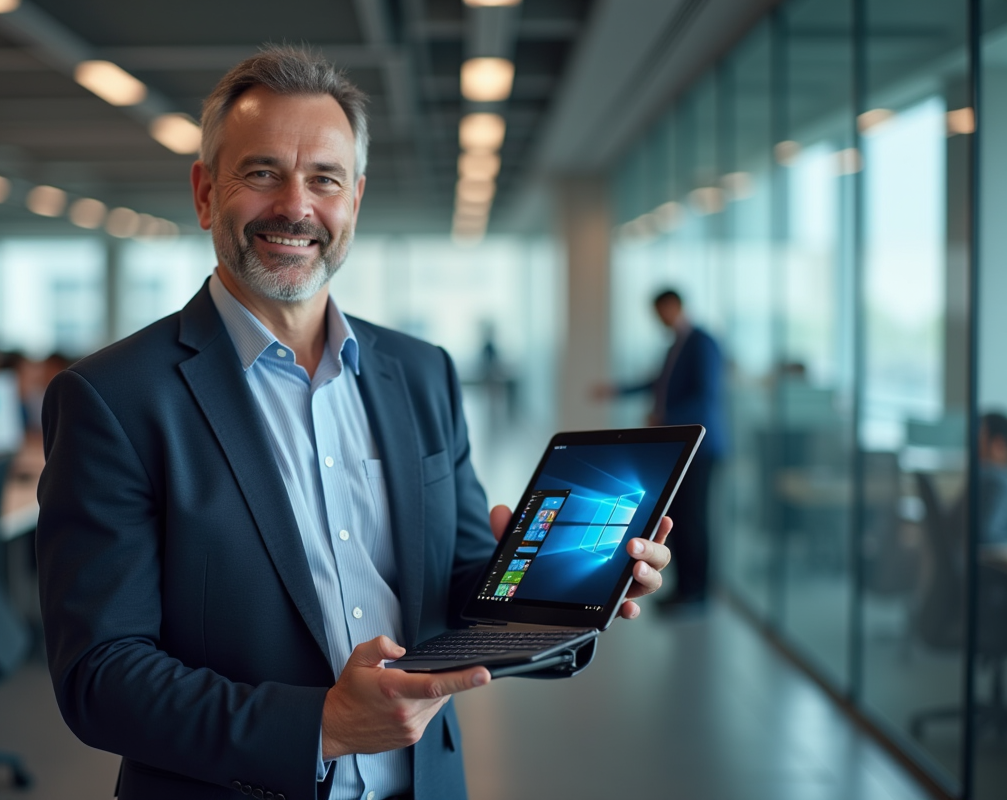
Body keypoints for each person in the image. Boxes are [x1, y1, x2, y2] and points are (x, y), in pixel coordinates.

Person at [36, 46, 674, 800]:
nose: (296, 206)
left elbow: (459, 582)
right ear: (206, 193)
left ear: (355, 202)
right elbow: (100, 676)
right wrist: (323, 726)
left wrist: (566, 588)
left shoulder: (421, 372)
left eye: (324, 179)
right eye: (262, 172)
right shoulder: (113, 397)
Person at [593, 289, 726, 609]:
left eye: (659, 312)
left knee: (694, 519)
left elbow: (706, 395)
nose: (658, 320)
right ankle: (684, 589)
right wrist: (618, 390)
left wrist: (666, 418)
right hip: (682, 446)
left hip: (702, 448)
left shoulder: (701, 342)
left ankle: (698, 592)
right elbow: (658, 383)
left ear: (673, 306)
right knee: (679, 517)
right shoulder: (675, 346)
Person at [977, 411, 1007, 545]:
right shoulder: (995, 479)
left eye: (981, 436)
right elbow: (988, 537)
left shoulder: (991, 479)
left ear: (998, 444)